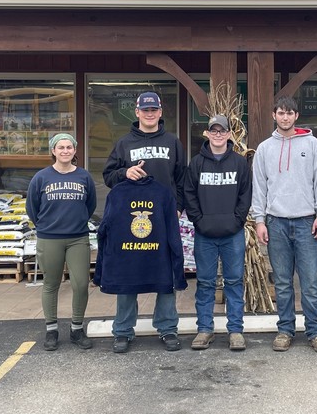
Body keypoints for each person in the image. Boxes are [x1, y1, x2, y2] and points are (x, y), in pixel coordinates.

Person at [101, 91, 188, 352]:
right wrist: (124, 172)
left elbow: (182, 179)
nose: (149, 114)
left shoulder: (173, 142)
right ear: (137, 112)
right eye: (145, 110)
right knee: (128, 272)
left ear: (160, 112)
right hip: (130, 221)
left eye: (154, 110)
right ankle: (123, 330)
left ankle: (167, 328)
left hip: (163, 217)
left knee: (165, 271)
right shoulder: (124, 143)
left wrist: (178, 208)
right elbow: (108, 176)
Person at [251, 96, 317, 353]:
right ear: (274, 115)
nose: (285, 117)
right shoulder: (264, 148)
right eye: (281, 113)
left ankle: (315, 331)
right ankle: (285, 330)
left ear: (296, 116)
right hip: (276, 222)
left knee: (310, 281)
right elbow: (259, 188)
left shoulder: (312, 144)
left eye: (290, 113)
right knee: (283, 282)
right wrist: (259, 220)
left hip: (307, 221)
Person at [93, 175, 186, 353]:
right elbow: (105, 226)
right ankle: (122, 331)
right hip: (126, 252)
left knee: (166, 285)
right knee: (126, 286)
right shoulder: (117, 193)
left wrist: (176, 257)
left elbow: (172, 227)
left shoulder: (163, 193)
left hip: (158, 252)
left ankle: (168, 329)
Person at [184, 115, 252, 352]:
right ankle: (204, 329)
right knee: (205, 283)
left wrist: (237, 220)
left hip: (232, 234)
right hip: (205, 234)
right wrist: (198, 220)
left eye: (222, 131)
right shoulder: (196, 163)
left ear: (229, 134)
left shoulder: (239, 163)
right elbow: (188, 194)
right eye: (214, 131)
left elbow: (246, 194)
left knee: (234, 282)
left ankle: (235, 331)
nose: (218, 135)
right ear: (207, 134)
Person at [25, 133, 97, 351]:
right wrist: (47, 225)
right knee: (51, 283)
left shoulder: (84, 177)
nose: (65, 151)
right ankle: (51, 330)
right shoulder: (41, 178)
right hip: (50, 238)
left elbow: (90, 205)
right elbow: (32, 208)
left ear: (75, 151)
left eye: (69, 147)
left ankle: (76, 329)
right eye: (61, 147)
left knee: (81, 284)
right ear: (53, 151)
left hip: (77, 238)